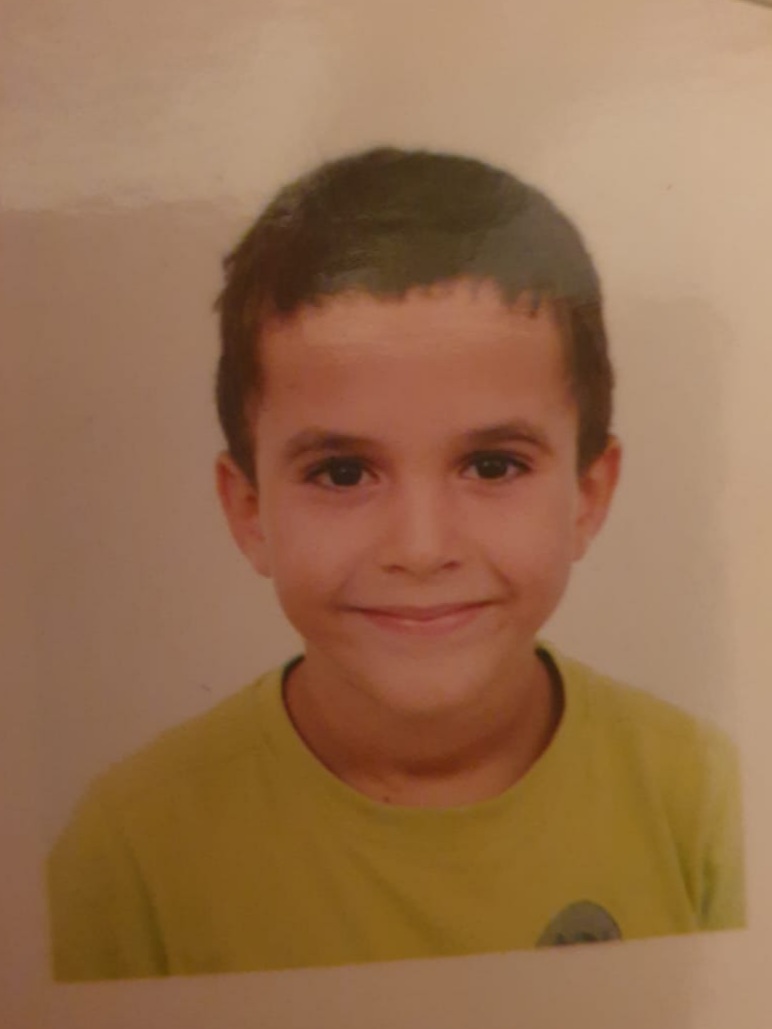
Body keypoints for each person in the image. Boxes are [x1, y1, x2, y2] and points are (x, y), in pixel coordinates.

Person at [47, 147, 745, 981]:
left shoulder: (710, 803)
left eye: (492, 465)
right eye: (343, 473)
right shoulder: (129, 852)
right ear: (249, 510)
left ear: (588, 496)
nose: (419, 549)